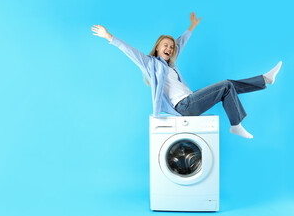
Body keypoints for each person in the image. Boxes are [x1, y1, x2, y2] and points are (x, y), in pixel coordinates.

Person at [91, 12, 282, 139]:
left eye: (171, 47)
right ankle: (236, 123)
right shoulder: (150, 64)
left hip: (189, 101)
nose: (170, 48)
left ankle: (265, 80)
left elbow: (180, 43)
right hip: (184, 105)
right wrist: (109, 37)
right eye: (165, 45)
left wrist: (191, 27)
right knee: (225, 85)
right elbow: (130, 51)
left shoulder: (171, 65)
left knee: (228, 86)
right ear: (157, 48)